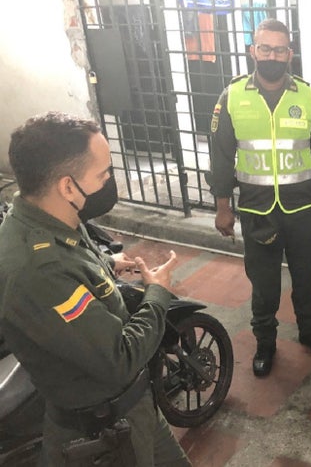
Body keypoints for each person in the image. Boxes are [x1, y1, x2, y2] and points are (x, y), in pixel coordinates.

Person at [0, 112, 190, 466]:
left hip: (134, 406)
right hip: (105, 434)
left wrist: (105, 263)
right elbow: (121, 358)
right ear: (68, 187)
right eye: (103, 174)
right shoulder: (40, 269)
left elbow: (73, 255)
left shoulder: (46, 217)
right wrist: (157, 293)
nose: (108, 181)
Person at [208, 18, 311, 377]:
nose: (271, 55)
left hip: (303, 206)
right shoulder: (232, 96)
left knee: (307, 277)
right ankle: (265, 342)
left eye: (279, 49)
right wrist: (223, 208)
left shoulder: (307, 96)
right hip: (257, 209)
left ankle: (309, 331)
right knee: (264, 284)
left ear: (289, 54)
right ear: (253, 50)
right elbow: (221, 157)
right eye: (265, 48)